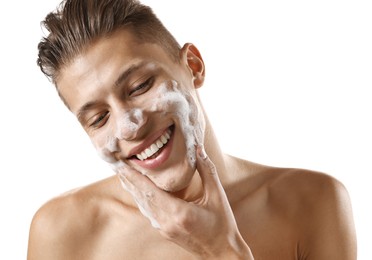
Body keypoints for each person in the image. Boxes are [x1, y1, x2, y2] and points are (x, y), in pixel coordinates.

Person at [27, 0, 357, 259]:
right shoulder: (63, 230)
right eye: (99, 118)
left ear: (193, 67)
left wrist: (226, 252)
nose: (128, 127)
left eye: (140, 85)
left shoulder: (312, 203)